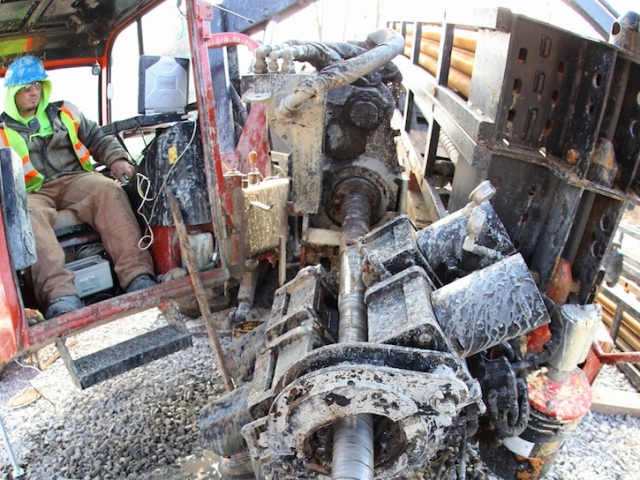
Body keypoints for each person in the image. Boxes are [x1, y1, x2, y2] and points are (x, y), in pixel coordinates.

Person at [1, 55, 156, 319]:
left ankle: (138, 276)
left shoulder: (66, 112)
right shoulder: (2, 130)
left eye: (37, 85)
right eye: (26, 88)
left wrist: (116, 158)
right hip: (32, 192)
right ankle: (61, 297)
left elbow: (96, 137)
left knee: (108, 190)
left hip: (74, 180)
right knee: (27, 215)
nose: (34, 92)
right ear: (13, 92)